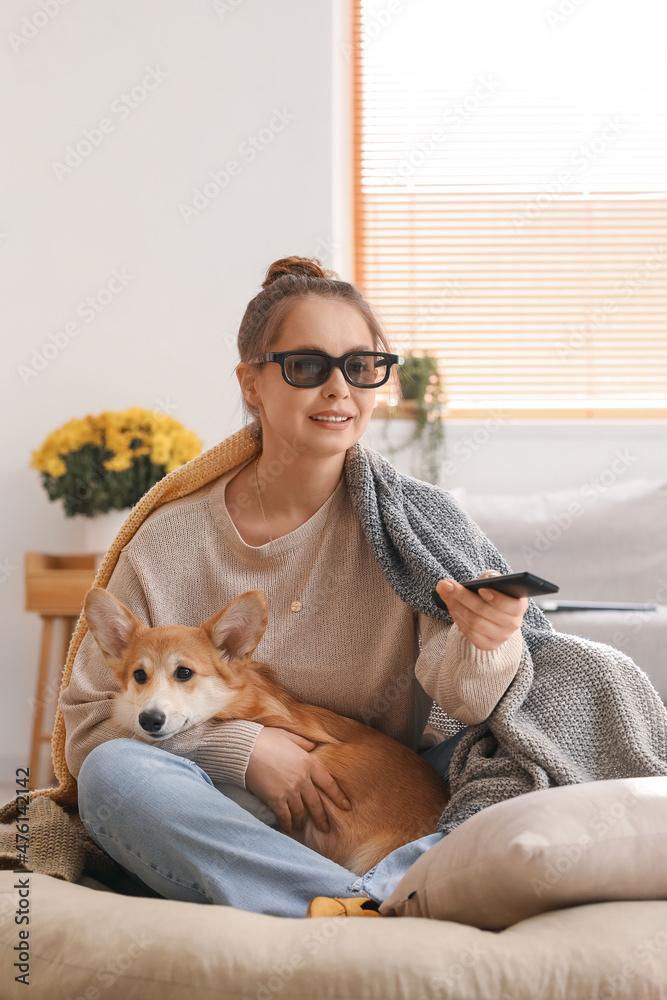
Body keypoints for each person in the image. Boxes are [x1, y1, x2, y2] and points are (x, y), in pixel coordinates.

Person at [65, 256, 529, 919]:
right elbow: (86, 729)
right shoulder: (168, 542)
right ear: (251, 384)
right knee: (114, 779)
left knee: (522, 750)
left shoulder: (418, 528)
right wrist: (242, 750)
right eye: (308, 368)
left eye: (362, 366)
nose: (339, 389)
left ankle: (332, 899)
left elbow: (473, 704)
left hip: (383, 782)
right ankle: (379, 902)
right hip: (220, 798)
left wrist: (489, 644)